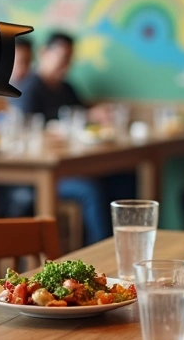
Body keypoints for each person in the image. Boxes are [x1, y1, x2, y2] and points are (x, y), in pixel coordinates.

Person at [17, 32, 129, 244]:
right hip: (40, 173)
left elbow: (82, 120)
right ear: (44, 53)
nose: (65, 66)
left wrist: (97, 116)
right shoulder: (29, 89)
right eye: (62, 59)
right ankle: (100, 252)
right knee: (90, 190)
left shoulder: (66, 87)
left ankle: (121, 244)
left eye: (69, 60)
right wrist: (87, 116)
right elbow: (28, 133)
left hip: (69, 164)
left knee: (122, 177)